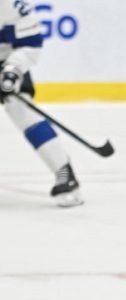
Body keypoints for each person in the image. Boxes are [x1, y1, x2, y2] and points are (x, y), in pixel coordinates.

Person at [0, 0, 82, 207]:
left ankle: (64, 174)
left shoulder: (9, 5)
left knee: (21, 109)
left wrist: (12, 71)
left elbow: (30, 44)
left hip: (6, 60)